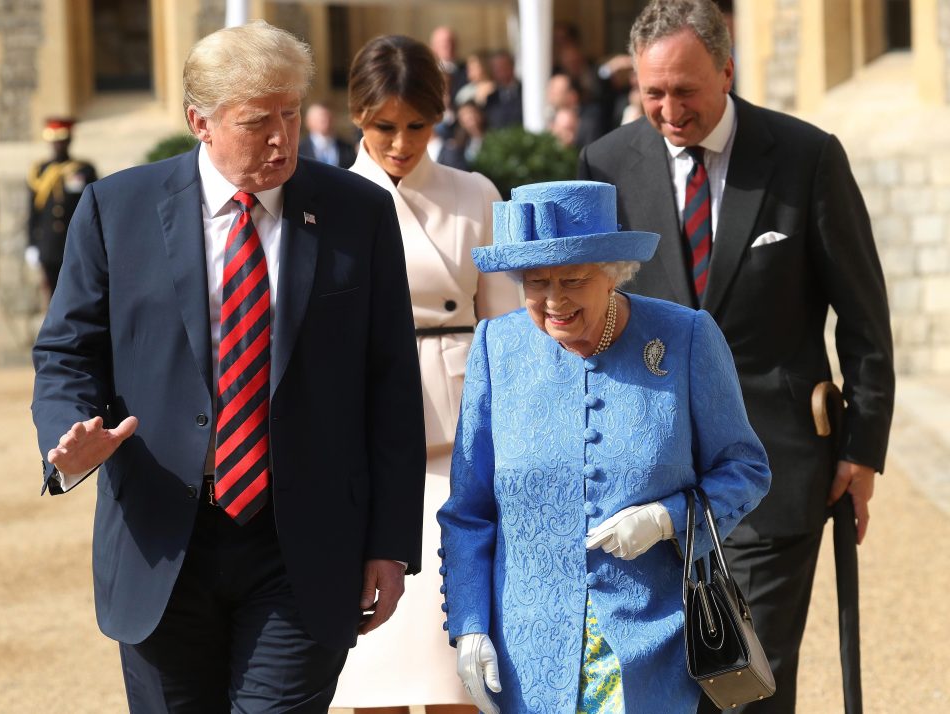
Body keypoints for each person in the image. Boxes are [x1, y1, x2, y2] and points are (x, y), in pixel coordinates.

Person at [31, 20, 425, 713]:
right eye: (256, 122)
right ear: (200, 122)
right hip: (161, 541)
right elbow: (67, 350)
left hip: (302, 544)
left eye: (290, 115)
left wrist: (390, 545)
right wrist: (71, 437)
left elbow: (389, 382)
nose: (280, 138)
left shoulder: (356, 212)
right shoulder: (115, 210)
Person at [577, 1, 895, 712]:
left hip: (773, 474)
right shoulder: (605, 163)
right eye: (651, 91)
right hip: (644, 478)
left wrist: (862, 450)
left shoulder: (807, 159)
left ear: (727, 69)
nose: (667, 109)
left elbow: (864, 321)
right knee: (660, 687)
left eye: (684, 90)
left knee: (742, 685)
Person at [437, 180, 771, 713]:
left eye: (573, 279)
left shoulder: (685, 338)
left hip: (651, 642)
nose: (554, 300)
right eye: (536, 282)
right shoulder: (495, 348)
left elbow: (745, 468)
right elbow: (469, 511)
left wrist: (666, 518)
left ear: (613, 273)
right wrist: (470, 625)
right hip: (528, 648)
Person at [330, 34, 520, 714]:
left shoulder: (476, 195)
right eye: (384, 126)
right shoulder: (325, 198)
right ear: (356, 115)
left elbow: (509, 333)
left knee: (457, 668)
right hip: (360, 448)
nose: (401, 142)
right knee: (373, 672)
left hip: (461, 445)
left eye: (418, 125)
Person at [26, 117, 98, 303]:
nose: (58, 144)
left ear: (69, 140)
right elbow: (34, 211)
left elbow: (92, 208)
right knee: (51, 296)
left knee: (76, 294)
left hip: (74, 241)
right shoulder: (39, 170)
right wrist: (32, 243)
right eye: (54, 140)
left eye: (62, 139)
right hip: (48, 243)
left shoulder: (84, 170)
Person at [297, 101, 356, 168]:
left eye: (329, 117)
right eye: (321, 119)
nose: (326, 121)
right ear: (308, 122)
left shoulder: (348, 148)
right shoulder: (299, 151)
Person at [483, 49, 523, 131]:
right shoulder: (491, 99)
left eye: (502, 66)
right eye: (495, 68)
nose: (499, 71)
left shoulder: (526, 92)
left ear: (512, 66)